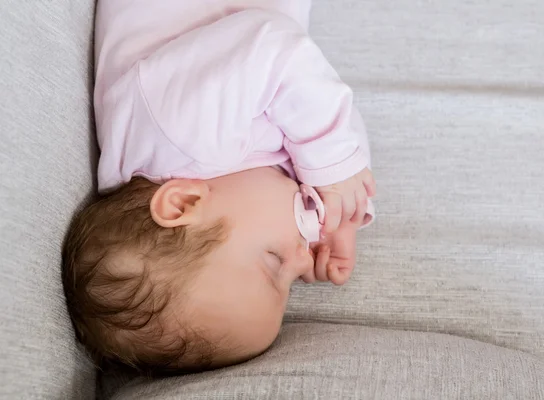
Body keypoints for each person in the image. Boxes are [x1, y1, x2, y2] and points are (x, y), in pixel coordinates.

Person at [62, 0, 376, 374]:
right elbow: (309, 107)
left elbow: (276, 52)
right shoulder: (224, 188)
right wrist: (338, 215)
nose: (304, 260)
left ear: (181, 203)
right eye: (292, 282)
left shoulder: (178, 129)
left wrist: (335, 164)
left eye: (274, 260)